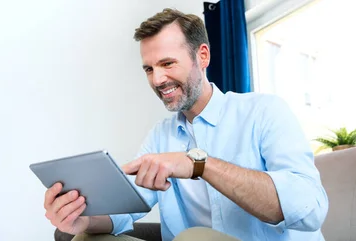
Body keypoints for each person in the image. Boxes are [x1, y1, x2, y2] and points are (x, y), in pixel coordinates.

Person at [42, 8, 329, 241]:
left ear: (202, 56)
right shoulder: (160, 138)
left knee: (195, 238)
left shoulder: (265, 111)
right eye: (149, 69)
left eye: (167, 64)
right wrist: (82, 219)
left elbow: (309, 210)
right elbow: (123, 213)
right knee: (86, 240)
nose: (157, 80)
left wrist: (197, 164)